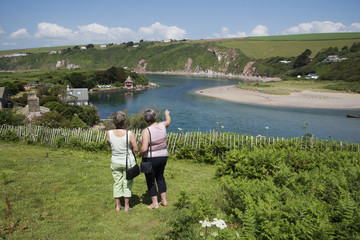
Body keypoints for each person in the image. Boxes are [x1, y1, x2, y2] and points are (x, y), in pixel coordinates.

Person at [107, 111, 138, 212]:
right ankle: (127, 207)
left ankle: (117, 206)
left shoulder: (109, 133)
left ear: (114, 122)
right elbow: (136, 149)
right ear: (124, 122)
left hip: (115, 161)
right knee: (127, 183)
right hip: (128, 162)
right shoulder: (129, 134)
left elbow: (109, 144)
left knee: (117, 183)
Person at [139, 109, 171, 209]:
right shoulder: (162, 125)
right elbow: (168, 121)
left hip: (151, 158)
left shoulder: (146, 131)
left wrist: (139, 154)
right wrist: (167, 114)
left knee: (150, 180)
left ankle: (154, 203)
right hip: (163, 157)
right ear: (155, 117)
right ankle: (164, 200)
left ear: (146, 120)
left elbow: (144, 148)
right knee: (160, 177)